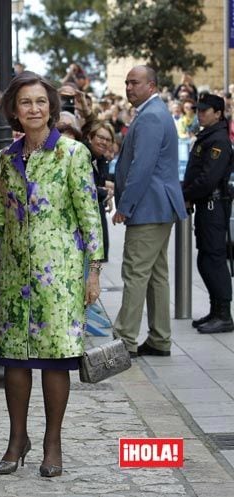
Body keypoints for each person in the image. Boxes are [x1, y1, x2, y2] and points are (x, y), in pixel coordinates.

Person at [0, 71, 104, 477]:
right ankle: (16, 438)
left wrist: (93, 272)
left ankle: (52, 442)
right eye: (25, 103)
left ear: (52, 108)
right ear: (14, 111)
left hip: (61, 275)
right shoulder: (6, 158)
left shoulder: (73, 153)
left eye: (41, 102)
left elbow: (89, 216)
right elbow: (1, 217)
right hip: (13, 273)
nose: (34, 109)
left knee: (56, 361)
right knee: (14, 361)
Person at [112, 65, 187, 357]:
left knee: (135, 273)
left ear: (152, 86)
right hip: (156, 206)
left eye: (135, 83)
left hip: (148, 207)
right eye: (127, 82)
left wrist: (125, 206)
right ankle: (159, 338)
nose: (129, 87)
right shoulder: (151, 113)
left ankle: (125, 339)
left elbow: (141, 167)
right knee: (156, 275)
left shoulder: (152, 116)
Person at [182, 93, 234, 334]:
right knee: (205, 258)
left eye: (205, 110)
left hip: (213, 205)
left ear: (218, 113)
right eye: (199, 110)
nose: (200, 113)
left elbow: (208, 179)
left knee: (213, 258)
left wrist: (187, 193)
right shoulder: (208, 136)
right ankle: (215, 310)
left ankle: (224, 314)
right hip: (206, 205)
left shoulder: (219, 141)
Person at [86, 121, 116, 262]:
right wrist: (104, 193)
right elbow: (83, 188)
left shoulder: (102, 160)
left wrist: (106, 195)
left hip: (96, 215)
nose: (103, 142)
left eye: (108, 140)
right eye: (100, 137)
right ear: (91, 137)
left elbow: (100, 184)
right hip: (83, 220)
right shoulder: (82, 155)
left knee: (97, 260)